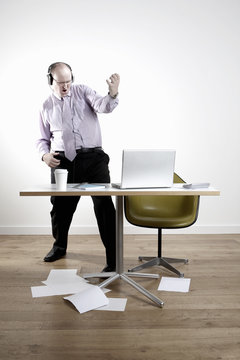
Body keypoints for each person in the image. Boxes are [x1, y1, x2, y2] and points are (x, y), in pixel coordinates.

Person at [36, 62, 120, 272]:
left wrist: (112, 93)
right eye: (60, 83)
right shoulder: (46, 105)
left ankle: (113, 259)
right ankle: (59, 246)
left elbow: (104, 106)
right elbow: (42, 139)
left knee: (104, 206)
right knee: (60, 208)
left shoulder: (83, 91)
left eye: (68, 81)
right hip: (63, 161)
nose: (66, 87)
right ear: (50, 81)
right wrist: (44, 155)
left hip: (93, 159)